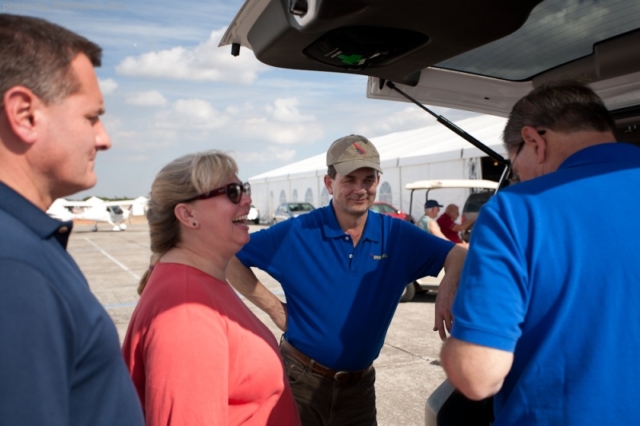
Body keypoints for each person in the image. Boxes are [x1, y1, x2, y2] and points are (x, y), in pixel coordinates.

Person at [227, 134, 467, 425]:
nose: (360, 189)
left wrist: (447, 285)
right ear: (329, 183)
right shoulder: (297, 232)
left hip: (359, 390)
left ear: (377, 181)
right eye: (349, 179)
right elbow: (231, 258)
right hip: (298, 382)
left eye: (368, 180)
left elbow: (458, 255)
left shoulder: (396, 235)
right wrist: (276, 310)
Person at [440, 82, 640, 425]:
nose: (518, 178)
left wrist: (455, 347)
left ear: (534, 140)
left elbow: (477, 377)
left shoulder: (518, 210)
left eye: (515, 167)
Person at [0, 14, 144, 425]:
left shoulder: (24, 241)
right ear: (25, 114)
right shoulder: (13, 269)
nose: (105, 138)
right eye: (91, 117)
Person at [121, 151, 301, 426]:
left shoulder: (199, 283)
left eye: (244, 189)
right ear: (188, 214)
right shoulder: (186, 311)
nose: (247, 199)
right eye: (232, 192)